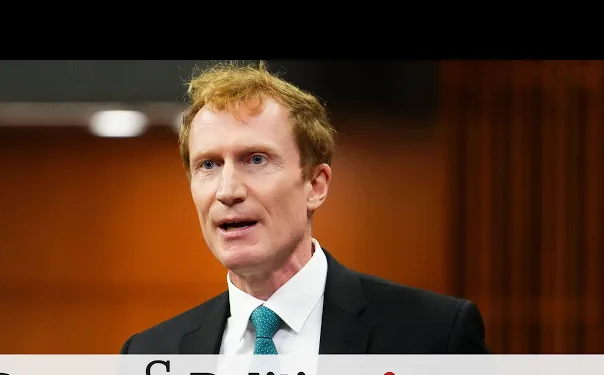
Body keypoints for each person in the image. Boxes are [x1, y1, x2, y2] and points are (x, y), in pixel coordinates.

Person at [120, 61, 490, 356]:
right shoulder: (149, 356)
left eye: (256, 159)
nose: (228, 191)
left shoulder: (434, 338)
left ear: (315, 185)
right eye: (209, 165)